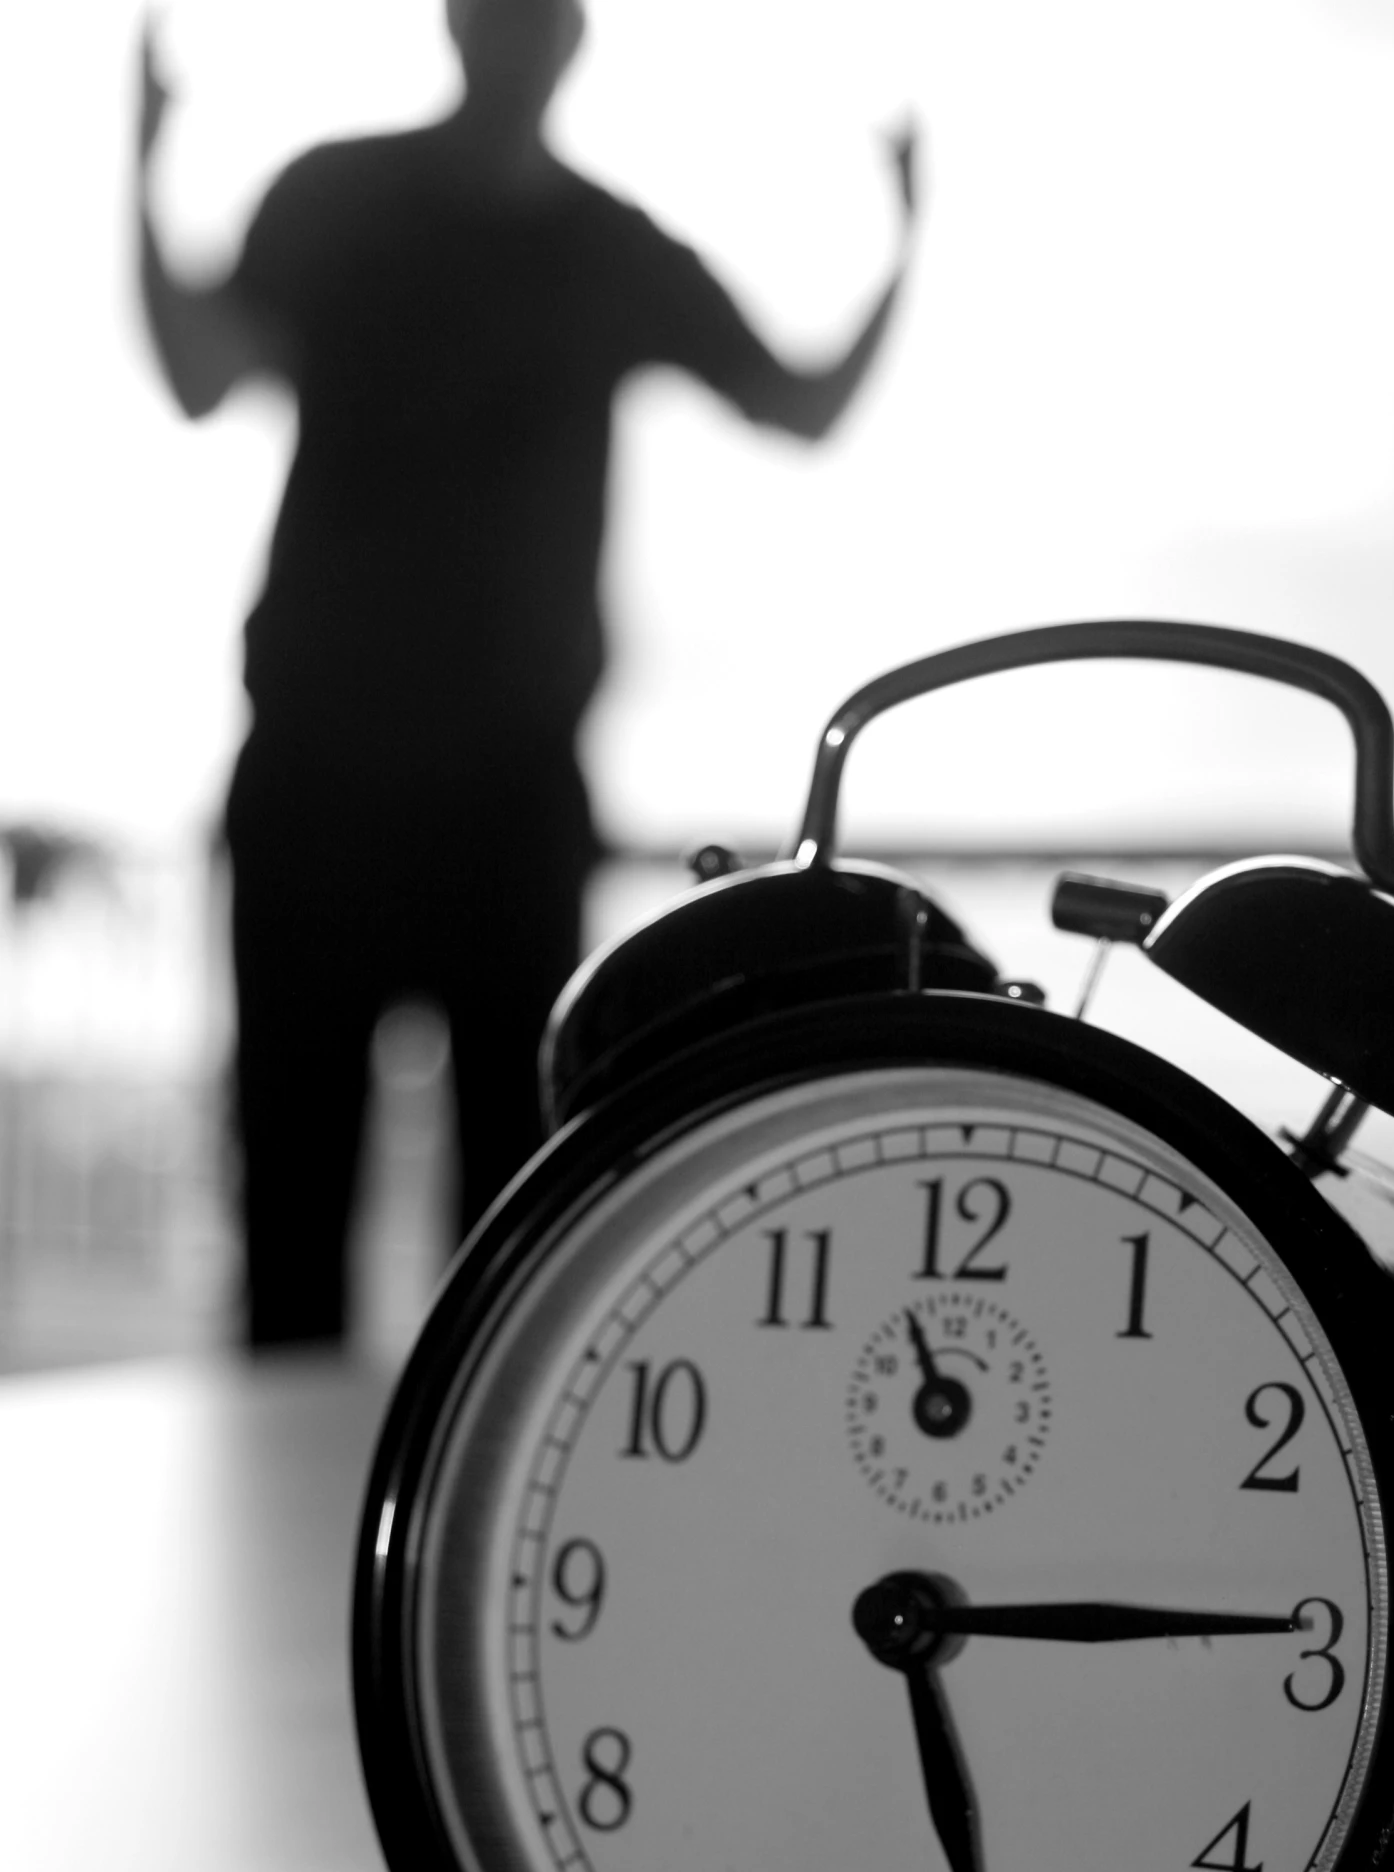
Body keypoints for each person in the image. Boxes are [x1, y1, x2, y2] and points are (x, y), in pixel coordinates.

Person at [135, 0, 919, 1348]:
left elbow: (801, 408)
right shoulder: (345, 199)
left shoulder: (603, 247)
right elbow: (202, 368)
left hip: (500, 797)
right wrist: (132, 160)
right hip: (319, 784)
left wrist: (907, 237)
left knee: (511, 1225)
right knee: (296, 1215)